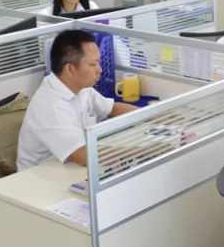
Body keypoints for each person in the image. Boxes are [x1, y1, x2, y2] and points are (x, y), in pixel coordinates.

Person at [16, 30, 140, 172]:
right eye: (93, 64)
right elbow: (84, 155)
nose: (99, 70)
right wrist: (143, 150)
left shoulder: (81, 88)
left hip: (70, 169)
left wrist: (152, 116)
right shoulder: (50, 105)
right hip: (41, 178)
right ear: (70, 69)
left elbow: (112, 109)